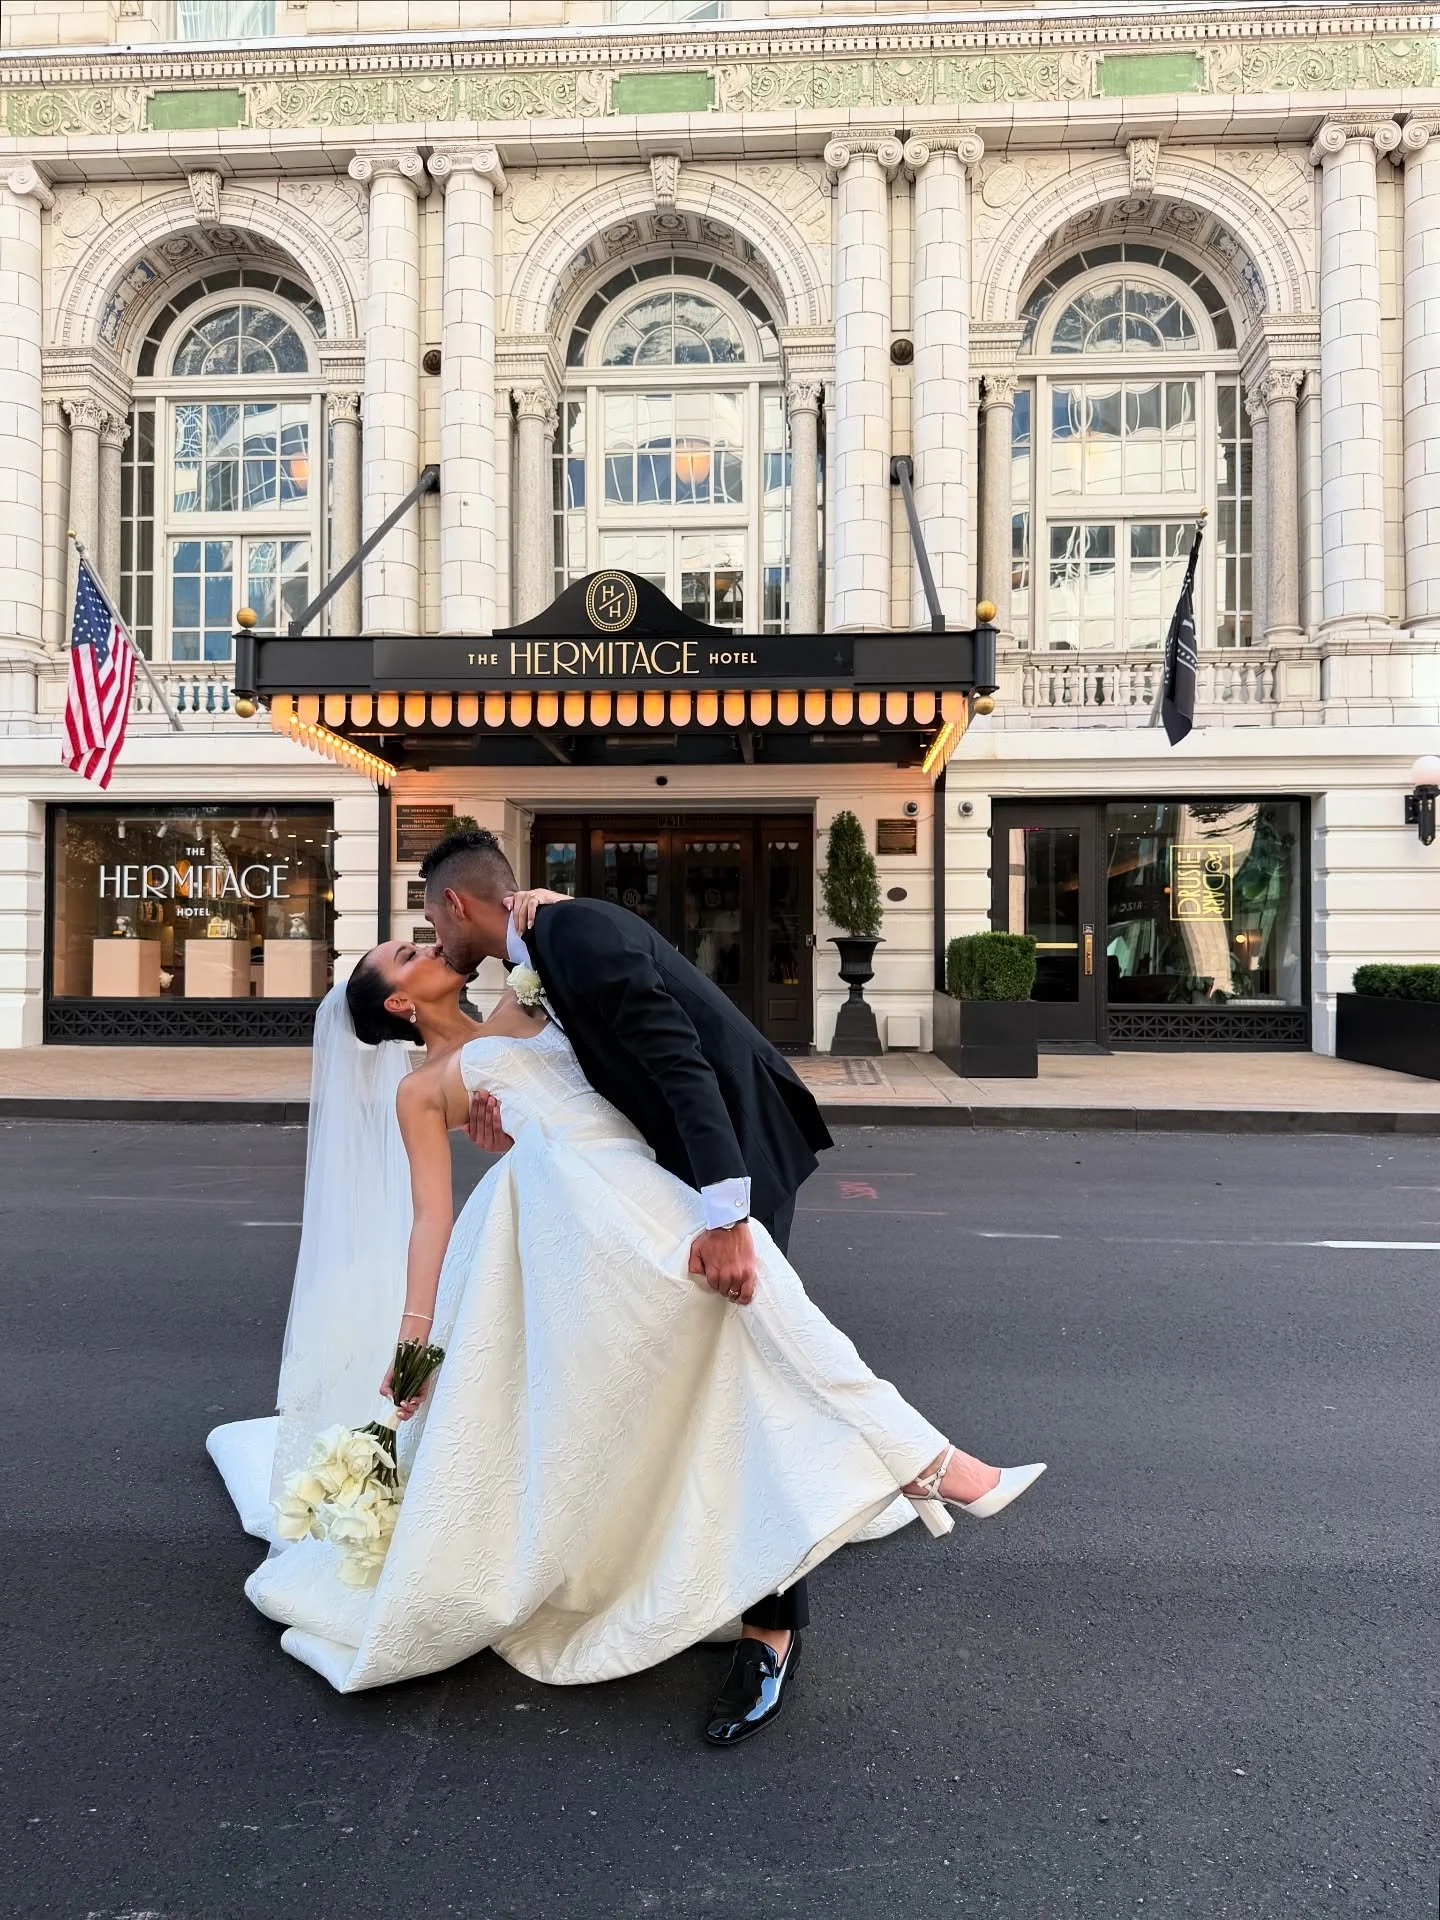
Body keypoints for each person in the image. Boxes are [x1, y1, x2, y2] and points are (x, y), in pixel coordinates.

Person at [216, 933, 1044, 1731]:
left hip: (640, 1180)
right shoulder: (423, 1089)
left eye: (424, 937)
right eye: (408, 955)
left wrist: (543, 913)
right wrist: (415, 1339)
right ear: (399, 1003)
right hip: (577, 1221)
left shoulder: (520, 1002)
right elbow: (429, 1218)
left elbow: (605, 1040)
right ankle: (930, 1464)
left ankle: (922, 1463)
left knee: (759, 1308)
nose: (430, 948)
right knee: (749, 1314)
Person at [418, 828, 1044, 1741]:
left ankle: (775, 1629)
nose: (432, 939)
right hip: (655, 1179)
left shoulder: (573, 933)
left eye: (430, 920)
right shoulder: (545, 947)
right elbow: (594, 1076)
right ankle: (915, 1471)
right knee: (726, 1372)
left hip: (732, 1153)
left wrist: (724, 1218)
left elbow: (677, 1060)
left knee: (753, 1372)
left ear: (456, 903)